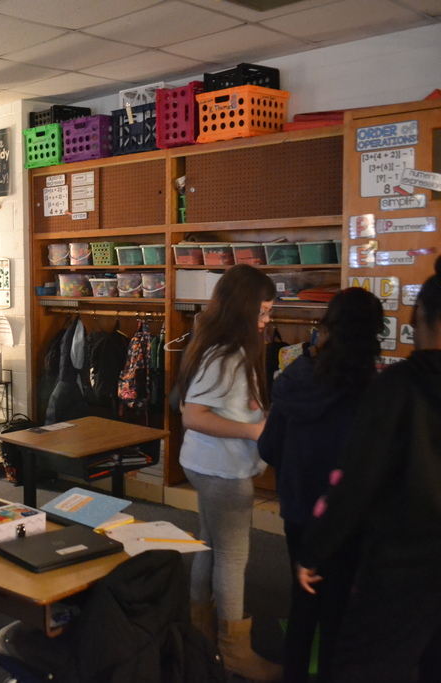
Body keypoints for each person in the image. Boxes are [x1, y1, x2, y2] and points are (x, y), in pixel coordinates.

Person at [296, 257, 441, 682]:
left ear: (419, 319)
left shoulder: (396, 387)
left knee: (369, 665)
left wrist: (315, 549)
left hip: (401, 565)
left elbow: (357, 477)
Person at [257, 288, 383, 683]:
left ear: (326, 326)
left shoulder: (295, 377)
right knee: (339, 612)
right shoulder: (374, 391)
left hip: (297, 510)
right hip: (347, 519)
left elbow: (268, 446)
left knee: (303, 605)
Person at [172, 263, 281, 681]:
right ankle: (235, 652)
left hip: (207, 465)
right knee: (232, 557)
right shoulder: (227, 354)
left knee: (210, 546)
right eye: (263, 311)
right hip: (220, 469)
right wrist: (254, 428)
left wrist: (259, 414)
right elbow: (193, 416)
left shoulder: (216, 345)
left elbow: (206, 407)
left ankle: (201, 634)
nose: (267, 320)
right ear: (242, 309)